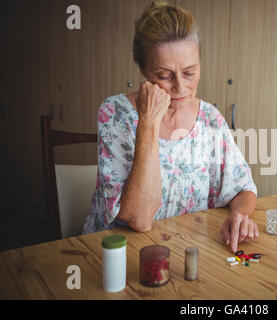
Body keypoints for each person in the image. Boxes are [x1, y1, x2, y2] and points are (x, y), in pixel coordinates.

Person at [82, 1, 258, 253]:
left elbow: (243, 188)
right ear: (143, 68)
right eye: (165, 75)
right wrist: (148, 122)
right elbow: (140, 220)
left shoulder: (210, 118)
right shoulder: (114, 113)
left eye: (189, 72)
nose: (180, 87)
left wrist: (239, 215)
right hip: (117, 254)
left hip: (182, 249)